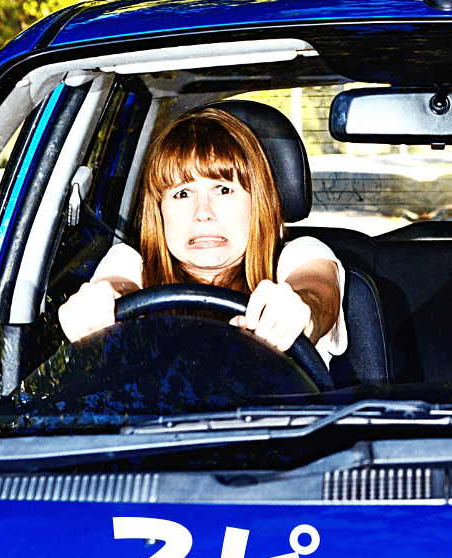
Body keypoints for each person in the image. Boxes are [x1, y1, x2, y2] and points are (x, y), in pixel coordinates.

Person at [58, 106, 346, 366]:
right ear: (159, 210)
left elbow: (316, 293)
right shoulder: (132, 262)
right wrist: (101, 302)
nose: (203, 213)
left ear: (257, 201)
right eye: (182, 193)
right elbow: (116, 282)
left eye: (223, 189)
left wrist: (298, 312)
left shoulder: (298, 255)